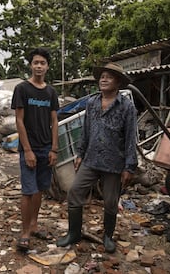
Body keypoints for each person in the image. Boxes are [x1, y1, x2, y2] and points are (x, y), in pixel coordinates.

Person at [56, 62, 138, 253]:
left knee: (110, 202)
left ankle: (107, 236)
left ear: (118, 82)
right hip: (91, 160)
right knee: (75, 192)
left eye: (109, 76)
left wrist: (129, 167)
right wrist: (80, 154)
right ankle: (73, 233)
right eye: (102, 76)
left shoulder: (127, 107)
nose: (103, 79)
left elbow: (130, 139)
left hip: (114, 163)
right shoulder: (92, 103)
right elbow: (85, 130)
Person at [11, 47, 59, 251]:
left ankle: (34, 224)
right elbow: (19, 121)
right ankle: (24, 233)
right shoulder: (22, 89)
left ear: (47, 67)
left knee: (39, 189)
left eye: (43, 63)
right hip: (29, 149)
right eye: (36, 62)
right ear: (31, 65)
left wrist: (54, 149)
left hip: (46, 148)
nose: (39, 66)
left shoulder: (50, 92)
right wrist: (27, 150)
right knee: (28, 192)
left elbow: (54, 121)